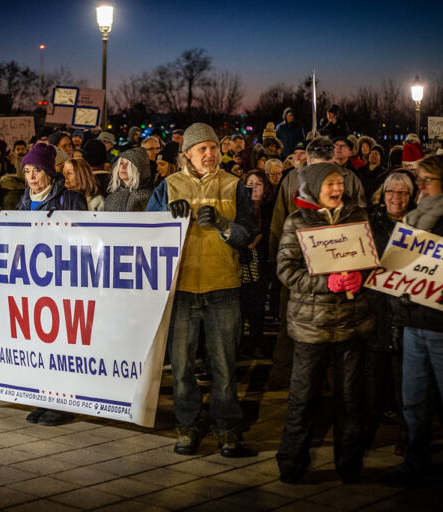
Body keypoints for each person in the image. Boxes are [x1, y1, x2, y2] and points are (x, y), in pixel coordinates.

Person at [146, 123, 255, 457]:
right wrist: (168, 219)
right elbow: (148, 234)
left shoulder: (234, 185)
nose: (210, 154)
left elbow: (247, 236)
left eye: (213, 148)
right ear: (188, 154)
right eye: (202, 149)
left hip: (223, 286)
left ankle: (227, 427)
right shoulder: (168, 186)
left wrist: (223, 224)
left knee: (224, 366)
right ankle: (188, 425)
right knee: (181, 368)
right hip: (181, 289)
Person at [275, 162, 373, 484]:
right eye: (330, 183)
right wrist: (324, 283)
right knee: (303, 398)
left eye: (339, 183)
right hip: (311, 327)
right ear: (316, 187)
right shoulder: (297, 220)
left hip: (351, 324)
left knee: (350, 399)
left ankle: (349, 464)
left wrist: (362, 278)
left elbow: (373, 263)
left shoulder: (357, 217)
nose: (337, 189)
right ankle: (292, 463)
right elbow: (286, 270)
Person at [390, 154, 443, 498]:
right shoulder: (413, 219)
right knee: (413, 402)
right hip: (413, 323)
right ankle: (414, 465)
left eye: (427, 180)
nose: (421, 186)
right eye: (420, 180)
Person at [266, 137, 367, 390]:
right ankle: (287, 375)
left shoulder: (348, 179)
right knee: (294, 327)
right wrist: (278, 261)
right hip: (303, 267)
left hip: (333, 267)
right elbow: (279, 221)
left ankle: (318, 380)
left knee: (327, 329)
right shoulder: (292, 179)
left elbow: (359, 222)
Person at [17, 143, 86, 426]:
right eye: (27, 171)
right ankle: (45, 399)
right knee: (40, 346)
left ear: (48, 172)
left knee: (62, 347)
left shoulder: (70, 199)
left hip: (63, 283)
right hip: (34, 285)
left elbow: (84, 238)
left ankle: (64, 403)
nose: (32, 177)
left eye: (37, 171)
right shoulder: (23, 202)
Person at [365, 171, 415, 454]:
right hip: (375, 311)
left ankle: (407, 436)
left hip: (407, 313)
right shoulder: (370, 223)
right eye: (391, 192)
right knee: (371, 381)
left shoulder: (419, 225)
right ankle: (366, 434)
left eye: (403, 192)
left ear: (411, 196)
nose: (396, 197)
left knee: (405, 381)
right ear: (382, 196)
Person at [239, 171, 275, 358]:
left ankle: (256, 343)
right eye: (250, 183)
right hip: (241, 261)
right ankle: (239, 345)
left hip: (261, 261)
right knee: (241, 305)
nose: (253, 187)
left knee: (257, 306)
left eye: (258, 184)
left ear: (265, 188)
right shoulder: (238, 208)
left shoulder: (270, 209)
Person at [103, 148, 153, 212]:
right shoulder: (111, 196)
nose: (123, 167)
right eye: (121, 163)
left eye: (128, 164)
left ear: (139, 169)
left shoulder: (147, 197)